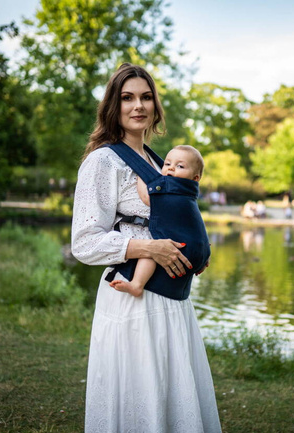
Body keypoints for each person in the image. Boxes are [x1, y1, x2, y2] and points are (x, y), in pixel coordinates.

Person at [71, 63, 221, 433]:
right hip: (132, 302)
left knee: (171, 395)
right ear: (113, 106)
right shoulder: (103, 161)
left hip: (171, 303)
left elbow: (178, 217)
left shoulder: (161, 162)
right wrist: (149, 249)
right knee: (139, 395)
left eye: (146, 97)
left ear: (155, 105)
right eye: (127, 98)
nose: (138, 106)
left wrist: (197, 250)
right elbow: (85, 243)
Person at [109, 145, 207, 297]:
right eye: (167, 164)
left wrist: (143, 175)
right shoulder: (189, 195)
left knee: (150, 250)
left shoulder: (173, 189)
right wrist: (203, 255)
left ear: (195, 178)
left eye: (180, 166)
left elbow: (147, 197)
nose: (171, 168)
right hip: (198, 248)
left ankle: (137, 284)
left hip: (181, 250)